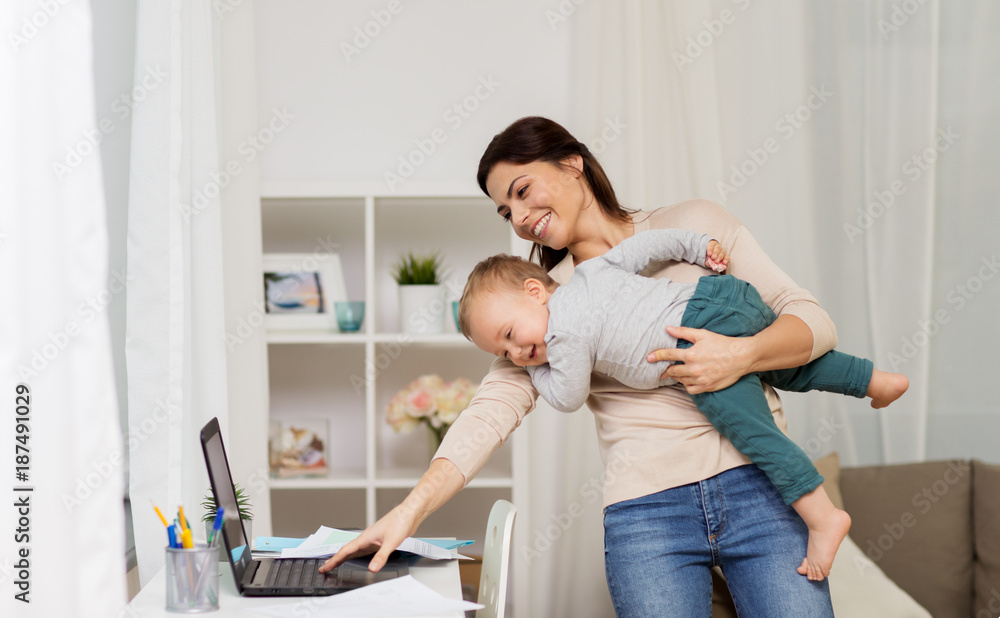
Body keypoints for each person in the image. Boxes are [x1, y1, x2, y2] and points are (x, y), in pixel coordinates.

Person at [321, 116, 853, 616]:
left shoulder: (691, 225)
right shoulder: (541, 307)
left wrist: (738, 355)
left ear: (572, 163)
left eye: (523, 191)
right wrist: (409, 511)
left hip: (761, 486)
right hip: (648, 516)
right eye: (507, 211)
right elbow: (489, 413)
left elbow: (811, 321)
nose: (521, 218)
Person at [456, 229, 909, 580]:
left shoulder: (563, 335)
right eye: (505, 354)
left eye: (512, 337)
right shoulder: (593, 271)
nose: (516, 355)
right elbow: (648, 247)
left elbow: (568, 396)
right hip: (722, 298)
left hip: (698, 335)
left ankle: (823, 516)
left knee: (752, 430)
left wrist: (534, 369)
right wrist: (700, 246)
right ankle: (875, 380)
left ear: (537, 292)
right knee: (787, 367)